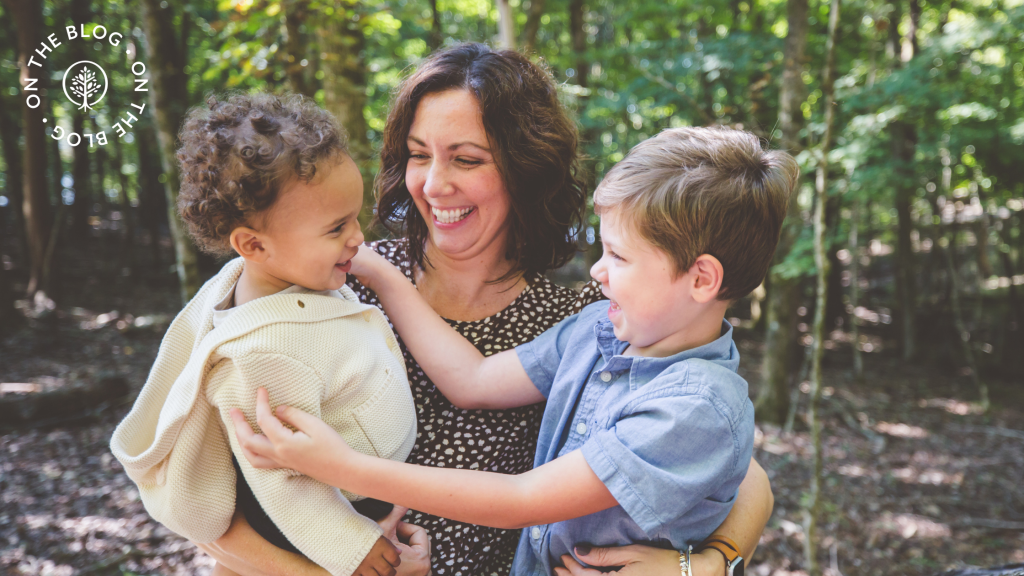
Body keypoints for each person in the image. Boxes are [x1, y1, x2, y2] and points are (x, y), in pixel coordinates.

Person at [197, 44, 776, 576]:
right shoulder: (329, 280)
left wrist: (707, 565)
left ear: (523, 169)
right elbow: (210, 492)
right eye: (419, 155)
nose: (434, 183)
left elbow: (737, 471)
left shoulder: (592, 319)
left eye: (467, 159)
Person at [110, 93, 426, 576]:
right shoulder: (262, 352)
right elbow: (280, 478)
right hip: (313, 532)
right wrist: (352, 547)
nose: (358, 237)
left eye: (356, 218)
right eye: (337, 227)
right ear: (254, 244)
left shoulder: (297, 276)